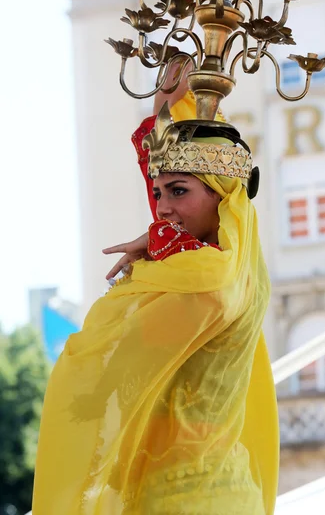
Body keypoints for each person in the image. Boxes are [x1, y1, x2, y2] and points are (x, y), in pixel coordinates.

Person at [32, 64, 279, 515]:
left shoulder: (210, 279)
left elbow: (117, 361)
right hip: (200, 489)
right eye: (157, 192)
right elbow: (187, 209)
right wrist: (164, 103)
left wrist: (159, 242)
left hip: (189, 499)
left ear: (224, 194)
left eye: (177, 191)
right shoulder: (237, 262)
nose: (163, 208)